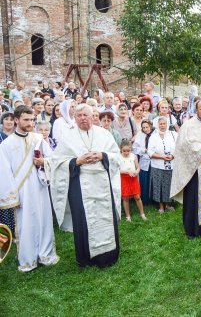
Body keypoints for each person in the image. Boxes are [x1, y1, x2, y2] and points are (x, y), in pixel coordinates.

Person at [50, 104, 121, 267]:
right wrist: (76, 161)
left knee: (105, 218)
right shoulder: (67, 137)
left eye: (86, 115)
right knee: (83, 221)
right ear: (74, 118)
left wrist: (102, 155)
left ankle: (108, 256)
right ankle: (86, 258)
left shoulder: (104, 134)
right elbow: (57, 163)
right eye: (79, 115)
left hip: (103, 184)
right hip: (80, 186)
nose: (83, 118)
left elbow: (117, 157)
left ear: (92, 117)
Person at [0, 106, 59, 272]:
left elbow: (52, 158)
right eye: (26, 120)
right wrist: (12, 198)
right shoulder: (6, 145)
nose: (30, 123)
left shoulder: (38, 138)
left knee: (44, 220)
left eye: (32, 119)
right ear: (16, 120)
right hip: (21, 192)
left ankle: (46, 254)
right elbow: (4, 173)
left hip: (40, 187)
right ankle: (28, 259)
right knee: (26, 225)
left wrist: (43, 163)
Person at [170, 100, 201, 238]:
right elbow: (183, 145)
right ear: (196, 110)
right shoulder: (187, 126)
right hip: (194, 169)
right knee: (193, 199)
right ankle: (194, 229)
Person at [148, 116, 177, 213]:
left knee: (168, 185)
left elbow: (179, 148)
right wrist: (162, 157)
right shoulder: (153, 136)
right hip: (158, 165)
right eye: (160, 124)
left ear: (167, 124)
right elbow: (150, 152)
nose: (162, 125)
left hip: (171, 165)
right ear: (157, 125)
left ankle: (168, 205)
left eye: (164, 123)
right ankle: (161, 206)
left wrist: (173, 156)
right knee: (158, 185)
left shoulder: (173, 134)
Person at [119, 139, 147, 222]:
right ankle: (128, 216)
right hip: (124, 179)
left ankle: (142, 214)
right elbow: (117, 171)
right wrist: (127, 172)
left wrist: (136, 172)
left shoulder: (133, 156)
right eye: (124, 151)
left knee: (137, 196)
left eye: (128, 150)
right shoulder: (118, 157)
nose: (127, 153)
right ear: (121, 149)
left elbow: (138, 167)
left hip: (133, 178)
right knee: (125, 198)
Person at [132, 120, 154, 205]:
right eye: (143, 127)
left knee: (152, 180)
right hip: (144, 161)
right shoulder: (140, 135)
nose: (145, 129)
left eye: (147, 127)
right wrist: (143, 150)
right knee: (144, 180)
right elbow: (135, 149)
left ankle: (153, 199)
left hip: (154, 160)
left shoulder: (155, 134)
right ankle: (145, 199)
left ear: (150, 126)